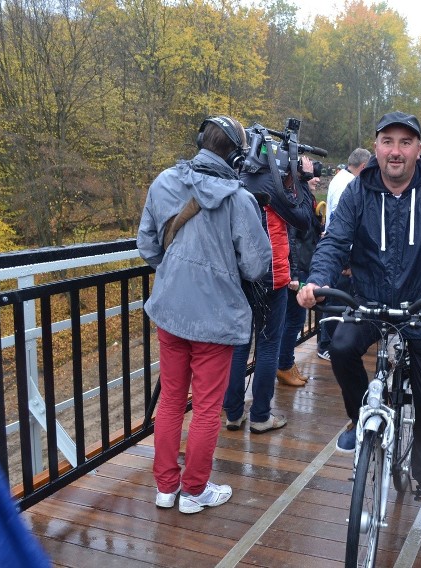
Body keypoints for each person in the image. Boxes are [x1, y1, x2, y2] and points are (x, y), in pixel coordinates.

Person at [297, 111, 421, 524]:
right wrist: (316, 282)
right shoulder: (358, 192)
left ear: (418, 149)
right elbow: (334, 242)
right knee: (340, 346)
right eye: (387, 142)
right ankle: (358, 412)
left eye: (405, 142)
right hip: (369, 299)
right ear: (376, 147)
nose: (395, 151)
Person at [137, 115, 272, 513]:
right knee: (207, 407)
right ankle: (194, 492)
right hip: (216, 319)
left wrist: (177, 271)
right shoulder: (239, 199)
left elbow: (147, 245)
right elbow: (256, 266)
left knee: (172, 401)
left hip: (170, 312)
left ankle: (166, 489)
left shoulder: (164, 182)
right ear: (235, 156)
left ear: (200, 142)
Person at [223, 132, 315, 434]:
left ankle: (233, 414)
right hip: (271, 274)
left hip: (239, 274)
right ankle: (261, 415)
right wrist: (301, 180)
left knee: (238, 345)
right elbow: (304, 218)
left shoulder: (238, 179)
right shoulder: (274, 187)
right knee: (267, 345)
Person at [316, 148, 371, 361]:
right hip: (340, 256)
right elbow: (344, 225)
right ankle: (327, 344)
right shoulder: (349, 185)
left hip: (335, 251)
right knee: (336, 303)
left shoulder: (338, 179)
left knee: (336, 301)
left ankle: (329, 342)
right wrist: (347, 259)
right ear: (364, 167)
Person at [277, 157, 323, 387]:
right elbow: (291, 239)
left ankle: (286, 362)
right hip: (298, 269)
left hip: (304, 265)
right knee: (294, 319)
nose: (316, 178)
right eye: (311, 174)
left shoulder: (302, 196)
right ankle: (284, 365)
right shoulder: (295, 197)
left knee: (294, 319)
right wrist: (294, 275)